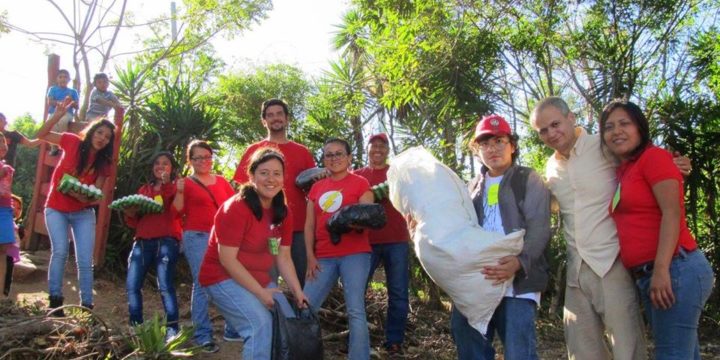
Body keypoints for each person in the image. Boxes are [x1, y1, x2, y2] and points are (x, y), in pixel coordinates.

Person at [530, 96, 690, 360]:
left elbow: (641, 161)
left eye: (555, 124)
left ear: (571, 118)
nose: (551, 133)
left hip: (610, 262)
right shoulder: (551, 167)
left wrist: (673, 164)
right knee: (581, 350)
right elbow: (551, 205)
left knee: (627, 348)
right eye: (543, 130)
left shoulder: (602, 147)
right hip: (575, 271)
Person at [599, 99, 714, 360]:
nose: (616, 131)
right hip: (653, 273)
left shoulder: (654, 157)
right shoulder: (625, 170)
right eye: (609, 127)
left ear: (640, 127)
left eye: (624, 123)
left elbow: (672, 213)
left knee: (671, 354)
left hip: (675, 268)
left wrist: (661, 270)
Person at [450, 115, 551, 360]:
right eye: (485, 143)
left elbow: (539, 226)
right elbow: (458, 229)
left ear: (512, 145)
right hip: (479, 280)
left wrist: (519, 262)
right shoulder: (471, 187)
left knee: (519, 352)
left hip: (518, 283)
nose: (492, 148)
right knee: (469, 344)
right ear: (477, 150)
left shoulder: (528, 179)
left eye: (499, 141)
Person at [200, 147, 308, 359]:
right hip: (222, 278)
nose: (271, 179)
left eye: (277, 173)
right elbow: (227, 260)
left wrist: (297, 292)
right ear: (251, 175)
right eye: (264, 172)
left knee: (287, 321)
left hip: (258, 278)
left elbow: (282, 256)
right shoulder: (236, 208)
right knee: (259, 325)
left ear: (283, 178)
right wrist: (261, 293)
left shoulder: (282, 212)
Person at [37, 98, 115, 313]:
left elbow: (97, 194)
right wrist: (56, 116)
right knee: (60, 251)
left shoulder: (104, 163)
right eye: (100, 133)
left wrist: (84, 199)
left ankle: (87, 304)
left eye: (107, 137)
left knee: (84, 259)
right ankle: (55, 300)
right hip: (56, 208)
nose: (102, 139)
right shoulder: (72, 141)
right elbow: (41, 135)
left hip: (83, 212)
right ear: (92, 131)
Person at [233, 99, 316, 288]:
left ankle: (301, 316)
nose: (275, 118)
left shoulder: (302, 152)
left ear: (287, 119)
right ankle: (269, 317)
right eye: (270, 115)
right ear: (264, 121)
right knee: (265, 279)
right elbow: (242, 189)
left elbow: (314, 190)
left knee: (303, 280)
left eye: (279, 114)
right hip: (264, 227)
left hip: (297, 229)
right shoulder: (253, 151)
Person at [304, 138, 374, 360]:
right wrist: (310, 257)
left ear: (349, 157)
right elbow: (309, 225)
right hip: (323, 256)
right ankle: (304, 353)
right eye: (329, 155)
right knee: (306, 306)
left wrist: (349, 221)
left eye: (339, 153)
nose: (334, 158)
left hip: (355, 254)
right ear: (324, 159)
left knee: (355, 310)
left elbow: (370, 217)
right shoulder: (316, 188)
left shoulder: (360, 183)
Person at [172, 139, 236, 353]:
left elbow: (234, 209)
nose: (203, 161)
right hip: (197, 236)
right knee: (202, 284)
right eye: (197, 158)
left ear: (211, 158)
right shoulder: (186, 183)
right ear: (190, 161)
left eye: (206, 157)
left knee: (229, 280)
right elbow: (176, 212)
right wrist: (179, 192)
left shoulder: (222, 182)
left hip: (222, 238)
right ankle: (202, 335)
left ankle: (232, 329)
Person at [353, 133, 410, 356]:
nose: (377, 149)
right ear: (367, 149)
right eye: (373, 145)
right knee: (357, 291)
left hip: (396, 240)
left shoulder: (397, 174)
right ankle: (358, 338)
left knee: (398, 292)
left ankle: (394, 341)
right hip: (365, 241)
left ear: (387, 150)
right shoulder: (357, 176)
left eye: (382, 146)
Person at [123, 152, 182, 340]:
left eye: (165, 163)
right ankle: (136, 325)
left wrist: (165, 184)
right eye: (157, 163)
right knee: (132, 284)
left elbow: (174, 210)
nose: (161, 166)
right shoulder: (143, 189)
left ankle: (172, 328)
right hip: (142, 240)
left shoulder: (176, 187)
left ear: (172, 168)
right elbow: (134, 220)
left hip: (167, 240)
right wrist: (130, 212)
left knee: (165, 285)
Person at [0, 134, 15, 297]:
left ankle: (0, 295)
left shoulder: (6, 167)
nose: (3, 146)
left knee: (3, 249)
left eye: (3, 143)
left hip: (4, 210)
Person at [46, 69, 79, 134]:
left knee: (63, 121)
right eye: (60, 77)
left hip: (67, 114)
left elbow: (77, 106)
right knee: (51, 124)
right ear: (57, 79)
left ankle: (62, 139)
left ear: (69, 79)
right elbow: (50, 101)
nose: (63, 79)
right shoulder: (52, 89)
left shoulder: (73, 91)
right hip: (54, 113)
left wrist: (71, 101)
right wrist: (60, 103)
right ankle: (53, 143)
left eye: (65, 77)